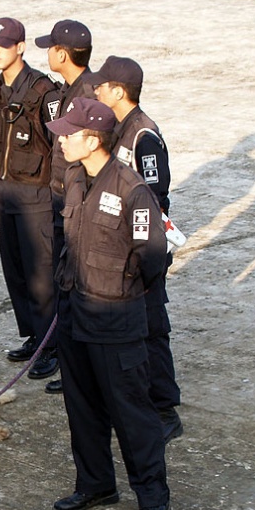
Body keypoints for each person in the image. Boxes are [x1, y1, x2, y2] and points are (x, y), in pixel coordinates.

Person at [46, 97, 170, 510]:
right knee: (82, 408)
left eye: (69, 133)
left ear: (92, 139)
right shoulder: (76, 177)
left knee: (131, 413)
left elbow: (152, 256)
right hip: (75, 314)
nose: (61, 139)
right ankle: (96, 484)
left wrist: (119, 287)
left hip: (115, 320)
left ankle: (153, 497)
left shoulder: (132, 190)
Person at [91, 55, 183, 443]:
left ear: (118, 91)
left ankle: (165, 409)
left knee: (151, 330)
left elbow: (152, 197)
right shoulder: (119, 128)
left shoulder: (143, 135)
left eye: (102, 84)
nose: (95, 89)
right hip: (120, 247)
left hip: (143, 247)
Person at [0, 18, 62, 381]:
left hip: (39, 192)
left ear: (21, 47)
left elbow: (61, 145)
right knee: (15, 269)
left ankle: (52, 345)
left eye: (4, 45)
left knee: (41, 274)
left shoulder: (44, 91)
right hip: (6, 190)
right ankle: (33, 336)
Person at [34, 20, 96, 394]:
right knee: (65, 286)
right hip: (62, 199)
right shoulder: (74, 89)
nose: (48, 52)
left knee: (76, 289)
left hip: (73, 202)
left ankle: (77, 372)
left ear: (62, 53)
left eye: (51, 47)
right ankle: (69, 365)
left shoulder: (86, 93)